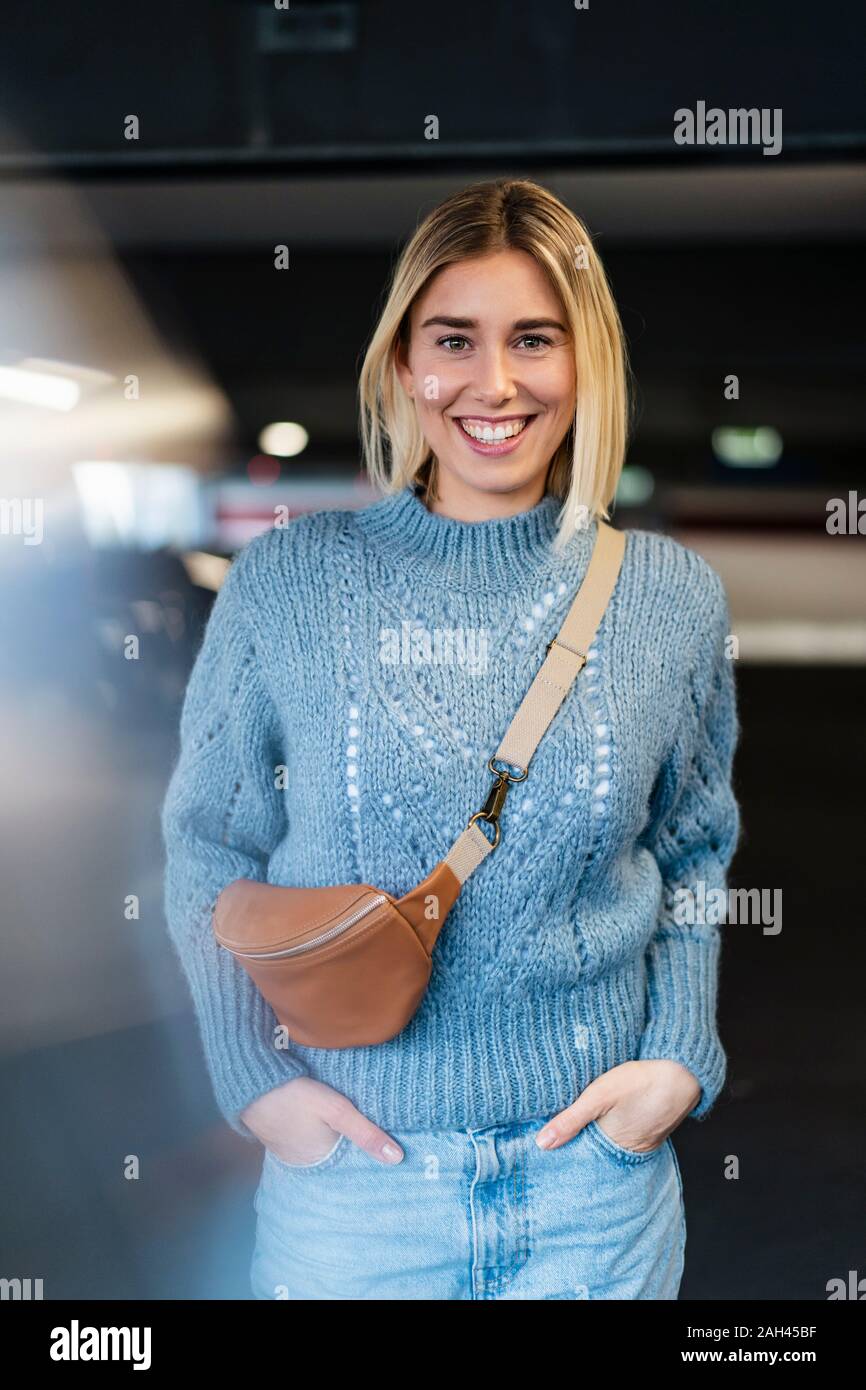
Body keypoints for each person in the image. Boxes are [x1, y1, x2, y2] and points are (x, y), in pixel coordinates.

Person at [160, 177, 741, 1300]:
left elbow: (691, 854)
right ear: (400, 367)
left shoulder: (668, 597)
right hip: (357, 1197)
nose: (496, 381)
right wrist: (257, 1086)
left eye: (534, 338)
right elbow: (206, 847)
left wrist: (675, 1057)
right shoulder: (289, 582)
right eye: (452, 340)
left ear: (585, 364)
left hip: (590, 1196)